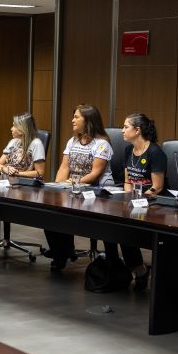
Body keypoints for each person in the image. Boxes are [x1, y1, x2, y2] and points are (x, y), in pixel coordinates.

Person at [44, 104, 114, 271]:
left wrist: (73, 184)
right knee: (50, 214)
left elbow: (95, 173)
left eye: (76, 117)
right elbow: (64, 166)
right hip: (74, 189)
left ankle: (110, 259)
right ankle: (61, 253)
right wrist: (58, 186)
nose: (72, 120)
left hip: (97, 193)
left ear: (88, 120)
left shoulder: (102, 144)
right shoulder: (73, 141)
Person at [107, 113, 165, 289]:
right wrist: (127, 198)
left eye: (126, 127)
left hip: (152, 203)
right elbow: (127, 181)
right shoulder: (128, 150)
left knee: (126, 228)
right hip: (133, 200)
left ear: (137, 130)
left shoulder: (155, 152)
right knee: (110, 224)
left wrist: (138, 200)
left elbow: (157, 187)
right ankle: (115, 266)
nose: (122, 130)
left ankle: (139, 270)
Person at [0, 113, 46, 179]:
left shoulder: (36, 144)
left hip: (22, 182)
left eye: (14, 126)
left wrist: (16, 173)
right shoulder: (13, 142)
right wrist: (5, 168)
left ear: (22, 128)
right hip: (6, 179)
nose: (11, 129)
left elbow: (40, 173)